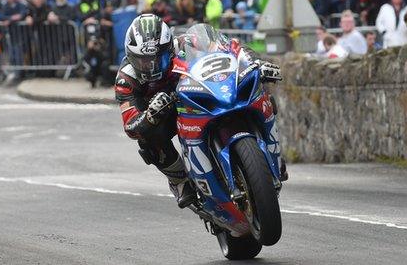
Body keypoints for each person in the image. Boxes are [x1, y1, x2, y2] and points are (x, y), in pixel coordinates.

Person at [114, 14, 284, 209]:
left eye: (157, 59)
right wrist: (151, 113)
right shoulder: (126, 79)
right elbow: (131, 126)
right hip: (165, 114)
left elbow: (233, 48)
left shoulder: (188, 43)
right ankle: (179, 181)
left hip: (197, 94)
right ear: (130, 55)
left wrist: (256, 64)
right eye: (143, 62)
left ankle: (273, 153)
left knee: (262, 96)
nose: (151, 68)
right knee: (147, 141)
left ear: (169, 48)